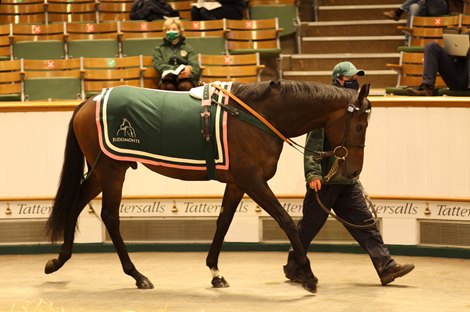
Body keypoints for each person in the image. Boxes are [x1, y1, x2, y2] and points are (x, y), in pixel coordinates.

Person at [283, 61, 415, 287]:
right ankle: (294, 266)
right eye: (349, 78)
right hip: (324, 180)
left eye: (356, 77)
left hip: (347, 180)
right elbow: (313, 146)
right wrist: (312, 174)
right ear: (337, 80)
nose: (354, 81)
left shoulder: (355, 110)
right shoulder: (324, 109)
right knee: (308, 228)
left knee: (365, 224)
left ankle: (386, 267)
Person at [152, 18, 201, 91]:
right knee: (168, 87)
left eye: (174, 29)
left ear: (180, 31)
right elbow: (158, 65)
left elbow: (195, 66)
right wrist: (176, 70)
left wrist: (189, 71)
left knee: (185, 86)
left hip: (185, 79)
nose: (171, 32)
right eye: (168, 30)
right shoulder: (159, 49)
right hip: (167, 80)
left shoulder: (188, 48)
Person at [406, 41, 470, 95]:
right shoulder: (463, 37)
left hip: (467, 80)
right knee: (431, 46)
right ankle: (427, 88)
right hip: (456, 77)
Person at [383, 0, 449, 42]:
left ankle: (399, 11)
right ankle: (409, 39)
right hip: (423, 4)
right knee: (414, 7)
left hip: (439, 5)